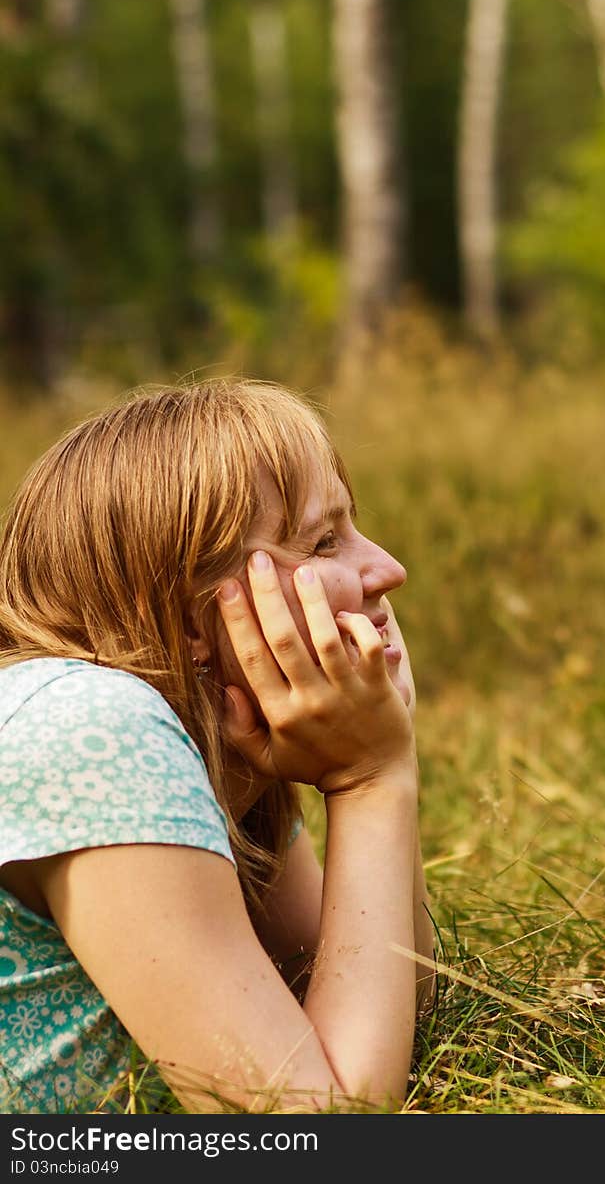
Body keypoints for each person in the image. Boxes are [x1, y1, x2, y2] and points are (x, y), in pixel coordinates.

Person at [0, 377, 435, 1115]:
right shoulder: (87, 726)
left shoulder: (215, 746)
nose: (386, 569)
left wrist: (377, 767)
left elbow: (386, 1009)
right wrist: (371, 781)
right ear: (190, 621)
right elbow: (317, 1130)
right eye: (323, 540)